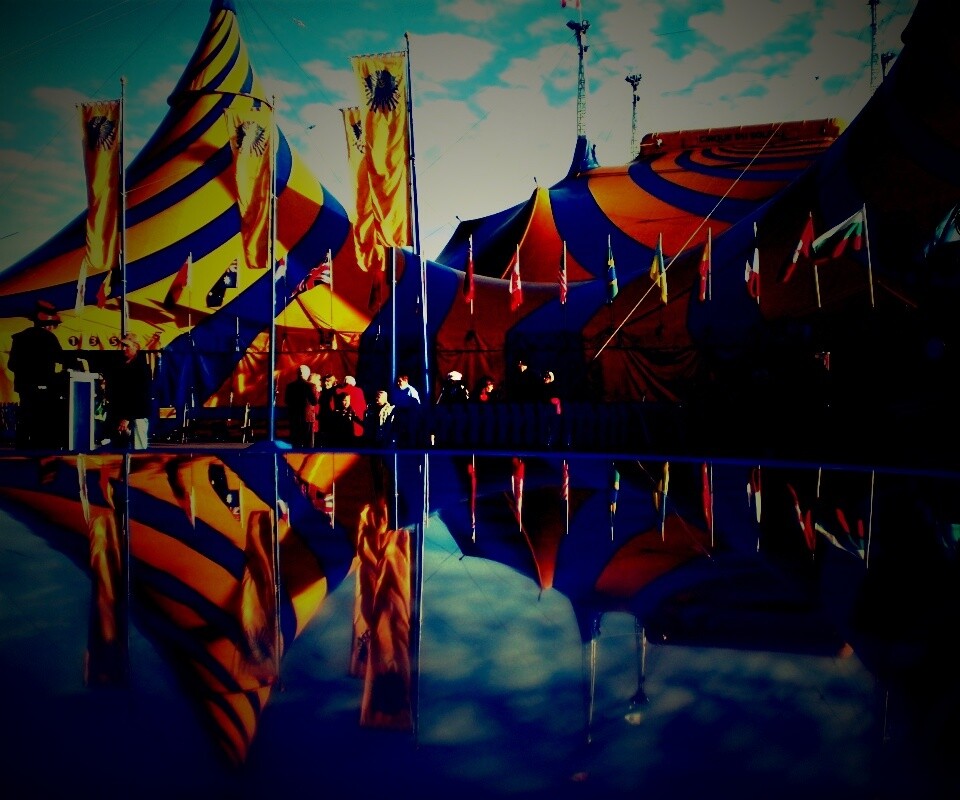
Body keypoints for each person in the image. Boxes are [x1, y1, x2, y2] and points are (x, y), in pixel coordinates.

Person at [8, 299, 67, 449]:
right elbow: (62, 359)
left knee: (25, 419)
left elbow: (11, 364)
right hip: (44, 388)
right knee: (42, 422)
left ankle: (22, 451)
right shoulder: (49, 338)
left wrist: (25, 373)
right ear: (49, 324)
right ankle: (42, 452)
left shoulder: (19, 338)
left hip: (24, 388)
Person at [106, 332, 153, 450]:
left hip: (137, 415)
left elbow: (139, 395)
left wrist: (127, 417)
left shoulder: (141, 367)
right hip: (120, 414)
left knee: (138, 449)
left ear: (136, 347)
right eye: (122, 345)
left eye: (127, 346)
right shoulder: (119, 365)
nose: (123, 349)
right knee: (119, 449)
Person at [284, 364, 318, 448]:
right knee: (308, 444)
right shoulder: (311, 385)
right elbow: (314, 402)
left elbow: (287, 401)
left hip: (294, 417)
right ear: (307, 374)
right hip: (307, 418)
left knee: (296, 443)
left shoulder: (290, 386)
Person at [389, 373, 421, 446]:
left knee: (409, 438)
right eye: (397, 381)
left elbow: (417, 406)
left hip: (409, 417)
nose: (398, 383)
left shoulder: (412, 391)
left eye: (400, 381)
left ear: (405, 381)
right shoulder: (396, 391)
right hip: (399, 417)